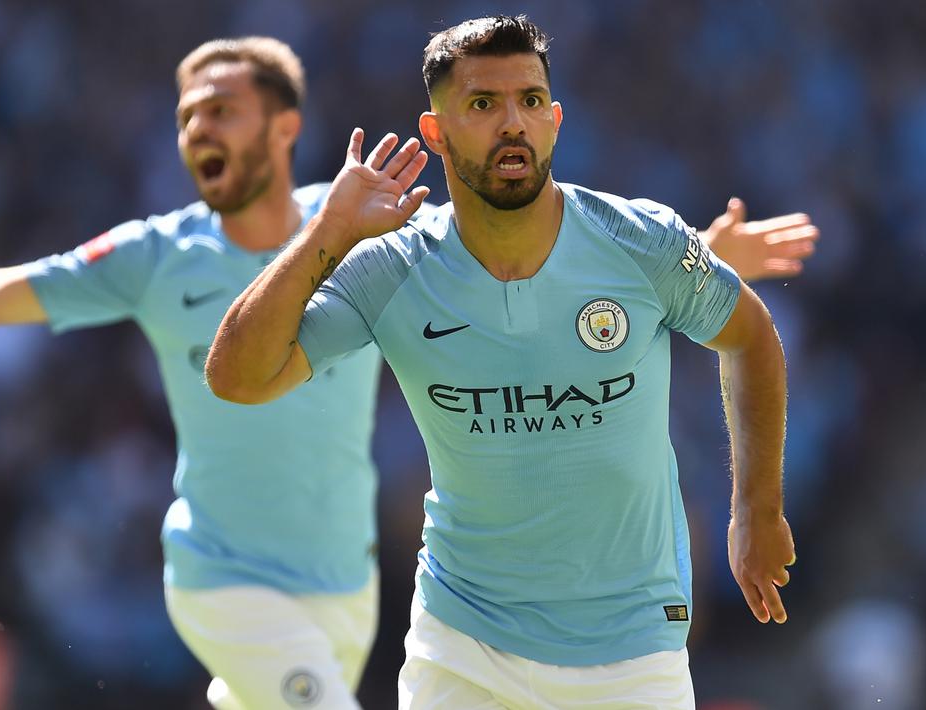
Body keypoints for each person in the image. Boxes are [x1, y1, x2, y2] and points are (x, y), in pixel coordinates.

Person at [0, 33, 810, 710]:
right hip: (234, 573)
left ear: (284, 129)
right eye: (188, 114)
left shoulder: (380, 226)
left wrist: (696, 266)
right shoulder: (176, 252)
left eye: (224, 109)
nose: (200, 128)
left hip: (347, 586)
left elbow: (548, 257)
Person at [205, 16, 796, 710]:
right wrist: (325, 235)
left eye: (530, 101)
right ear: (436, 132)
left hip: (634, 648)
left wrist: (756, 509)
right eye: (483, 104)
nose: (513, 122)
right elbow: (237, 377)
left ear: (554, 121)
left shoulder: (641, 242)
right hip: (463, 644)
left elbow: (751, 337)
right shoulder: (392, 268)